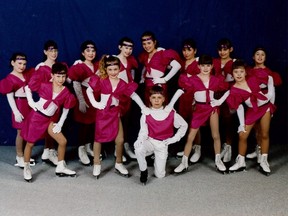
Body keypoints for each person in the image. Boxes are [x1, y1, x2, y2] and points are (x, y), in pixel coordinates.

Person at [86, 55, 146, 179]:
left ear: (119, 69)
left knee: (120, 140)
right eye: (110, 70)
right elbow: (89, 90)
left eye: (115, 69)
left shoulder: (122, 83)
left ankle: (119, 163)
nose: (113, 72)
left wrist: (143, 107)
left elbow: (133, 95)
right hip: (103, 114)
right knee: (98, 139)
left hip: (115, 113)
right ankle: (97, 164)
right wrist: (95, 103)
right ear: (106, 70)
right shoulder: (101, 80)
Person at [21, 62, 77, 182]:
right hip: (36, 118)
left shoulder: (66, 92)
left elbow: (66, 109)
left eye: (63, 76)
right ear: (52, 75)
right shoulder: (45, 85)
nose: (61, 79)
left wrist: (60, 123)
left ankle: (61, 167)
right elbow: (27, 87)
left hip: (49, 120)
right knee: (30, 143)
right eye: (58, 76)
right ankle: (26, 167)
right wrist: (31, 102)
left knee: (62, 141)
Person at [174, 54, 229, 174]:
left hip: (212, 108)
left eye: (208, 66)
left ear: (212, 66)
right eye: (203, 65)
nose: (205, 68)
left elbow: (229, 90)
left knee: (216, 135)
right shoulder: (193, 79)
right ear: (198, 66)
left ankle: (218, 160)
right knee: (190, 136)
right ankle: (184, 162)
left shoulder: (216, 80)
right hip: (199, 109)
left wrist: (219, 101)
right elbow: (184, 91)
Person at [226, 59, 276, 176]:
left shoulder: (253, 78)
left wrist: (270, 98)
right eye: (236, 72)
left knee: (264, 134)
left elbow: (270, 79)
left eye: (241, 72)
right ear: (232, 74)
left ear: (245, 72)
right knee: (242, 134)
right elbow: (239, 108)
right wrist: (242, 124)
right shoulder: (234, 89)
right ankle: (241, 161)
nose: (238, 74)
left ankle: (264, 160)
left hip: (265, 107)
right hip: (252, 110)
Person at [134, 85, 188, 185]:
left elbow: (184, 125)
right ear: (150, 99)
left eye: (159, 97)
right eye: (154, 98)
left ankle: (153, 157)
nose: (156, 100)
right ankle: (143, 171)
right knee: (138, 148)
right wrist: (139, 139)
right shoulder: (146, 113)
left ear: (163, 99)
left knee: (160, 175)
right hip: (150, 141)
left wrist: (174, 139)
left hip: (162, 144)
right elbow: (143, 131)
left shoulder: (170, 113)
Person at [245, 47, 282, 162]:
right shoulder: (249, 71)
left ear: (265, 57)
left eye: (262, 55)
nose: (260, 57)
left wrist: (271, 107)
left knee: (263, 130)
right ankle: (258, 149)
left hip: (265, 103)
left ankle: (262, 153)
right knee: (256, 130)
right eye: (257, 54)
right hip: (253, 103)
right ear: (253, 57)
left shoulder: (269, 72)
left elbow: (272, 92)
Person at [0, 52, 35, 168]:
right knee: (20, 132)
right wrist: (16, 112)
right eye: (19, 63)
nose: (22, 66)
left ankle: (26, 154)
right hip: (19, 104)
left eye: (24, 64)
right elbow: (9, 97)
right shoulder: (9, 78)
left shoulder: (26, 74)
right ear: (12, 63)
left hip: (28, 104)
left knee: (27, 130)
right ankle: (19, 156)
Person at [67, 40, 98, 165]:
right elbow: (75, 82)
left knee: (92, 125)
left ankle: (88, 146)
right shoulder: (79, 66)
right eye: (88, 51)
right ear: (83, 53)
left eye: (93, 51)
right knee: (83, 125)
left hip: (95, 97)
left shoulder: (97, 65)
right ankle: (81, 150)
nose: (91, 53)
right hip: (84, 97)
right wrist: (81, 100)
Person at [31, 40, 62, 166]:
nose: (54, 53)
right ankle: (49, 151)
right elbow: (34, 86)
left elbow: (69, 79)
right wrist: (47, 88)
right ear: (45, 52)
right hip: (47, 102)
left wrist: (79, 63)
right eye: (51, 50)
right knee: (49, 126)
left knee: (54, 125)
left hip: (58, 101)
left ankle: (47, 150)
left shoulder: (60, 66)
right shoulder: (41, 68)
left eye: (55, 50)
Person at [138, 31, 181, 106]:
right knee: (148, 106)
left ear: (154, 42)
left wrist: (164, 79)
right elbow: (146, 66)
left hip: (158, 85)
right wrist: (142, 77)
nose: (146, 46)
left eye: (149, 43)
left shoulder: (161, 53)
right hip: (147, 84)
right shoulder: (145, 55)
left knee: (160, 107)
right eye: (144, 44)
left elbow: (177, 66)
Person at [176, 38, 201, 163]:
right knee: (185, 122)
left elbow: (200, 81)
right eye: (184, 50)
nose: (186, 52)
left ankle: (197, 149)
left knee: (195, 123)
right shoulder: (181, 62)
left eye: (189, 50)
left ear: (195, 51)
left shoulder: (198, 63)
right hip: (183, 96)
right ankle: (188, 147)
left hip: (194, 96)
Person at [212, 38, 236, 163]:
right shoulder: (214, 62)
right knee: (217, 122)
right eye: (220, 49)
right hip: (215, 94)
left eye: (225, 49)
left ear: (230, 49)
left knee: (228, 121)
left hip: (229, 94)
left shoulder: (234, 62)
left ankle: (228, 147)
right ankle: (220, 148)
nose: (222, 52)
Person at [116, 37, 139, 160]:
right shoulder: (114, 60)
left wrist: (132, 86)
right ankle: (117, 148)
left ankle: (125, 146)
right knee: (116, 121)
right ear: (120, 47)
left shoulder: (131, 61)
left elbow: (132, 75)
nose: (128, 50)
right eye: (126, 47)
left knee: (126, 121)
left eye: (130, 48)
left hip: (127, 96)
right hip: (117, 96)